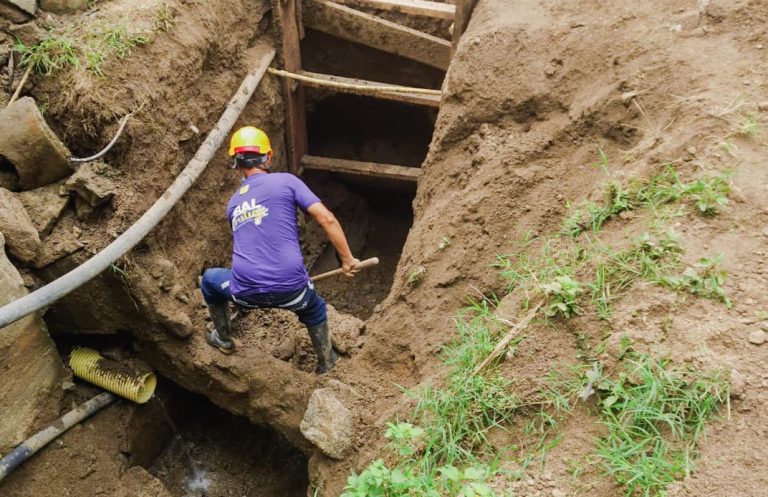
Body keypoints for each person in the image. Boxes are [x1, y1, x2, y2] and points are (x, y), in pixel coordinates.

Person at [199, 126, 360, 373]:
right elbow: (326, 218)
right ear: (269, 157)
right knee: (315, 307)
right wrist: (347, 259)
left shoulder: (233, 204)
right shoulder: (287, 181)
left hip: (244, 293)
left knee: (210, 280)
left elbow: (251, 246)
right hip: (293, 291)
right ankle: (326, 363)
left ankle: (223, 339)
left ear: (236, 164)